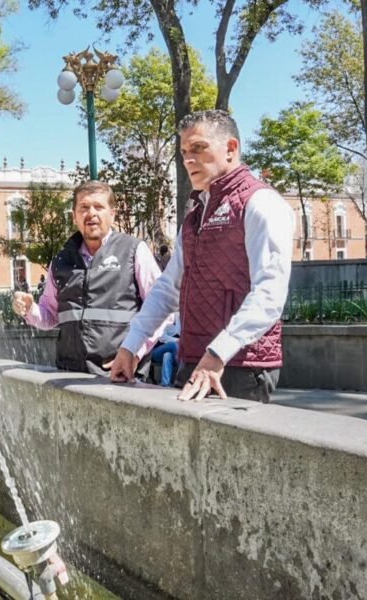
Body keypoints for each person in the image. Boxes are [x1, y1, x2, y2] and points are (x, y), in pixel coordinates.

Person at [110, 109, 295, 403]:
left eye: (198, 148)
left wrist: (218, 353)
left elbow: (270, 293)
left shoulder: (261, 204)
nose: (188, 160)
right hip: (195, 360)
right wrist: (131, 346)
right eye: (184, 152)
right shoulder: (195, 217)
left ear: (231, 149)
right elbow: (168, 288)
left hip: (239, 366)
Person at [12, 180, 164, 377]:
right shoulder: (60, 260)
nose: (91, 213)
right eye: (83, 207)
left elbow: (161, 309)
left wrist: (135, 352)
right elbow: (50, 316)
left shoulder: (134, 251)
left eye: (99, 207)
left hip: (120, 377)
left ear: (112, 213)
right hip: (68, 376)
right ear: (74, 215)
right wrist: (30, 309)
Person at [150, 313, 180, 387]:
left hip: (174, 352)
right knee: (174, 345)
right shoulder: (165, 319)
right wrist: (177, 340)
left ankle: (165, 383)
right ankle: (182, 372)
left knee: (167, 355)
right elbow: (162, 337)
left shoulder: (180, 318)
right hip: (157, 350)